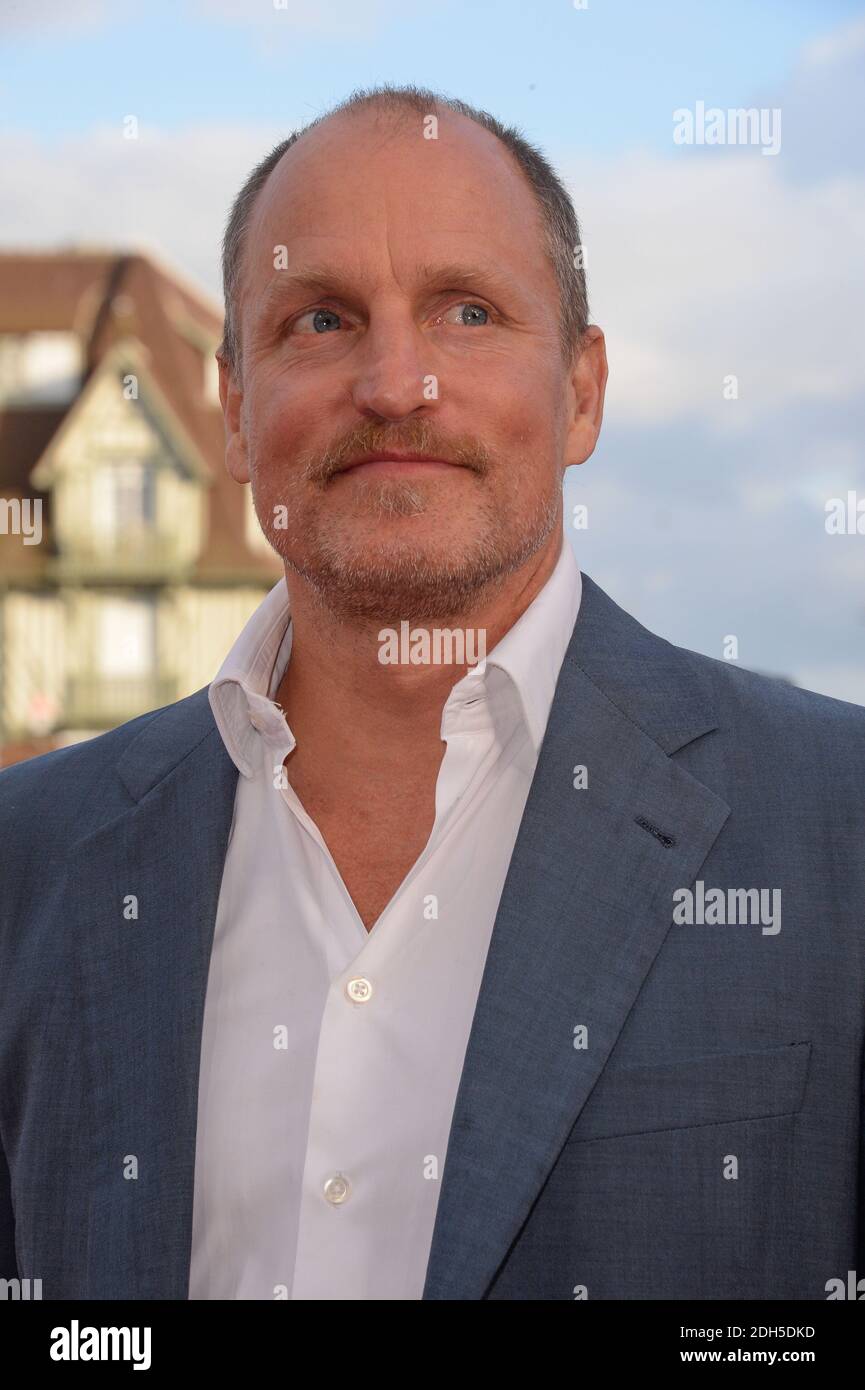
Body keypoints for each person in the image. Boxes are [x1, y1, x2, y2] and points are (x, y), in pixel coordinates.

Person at [1, 84, 863, 1302]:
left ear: (581, 392)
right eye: (320, 320)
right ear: (237, 413)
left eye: (468, 310)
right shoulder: (30, 864)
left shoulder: (840, 827)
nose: (396, 383)